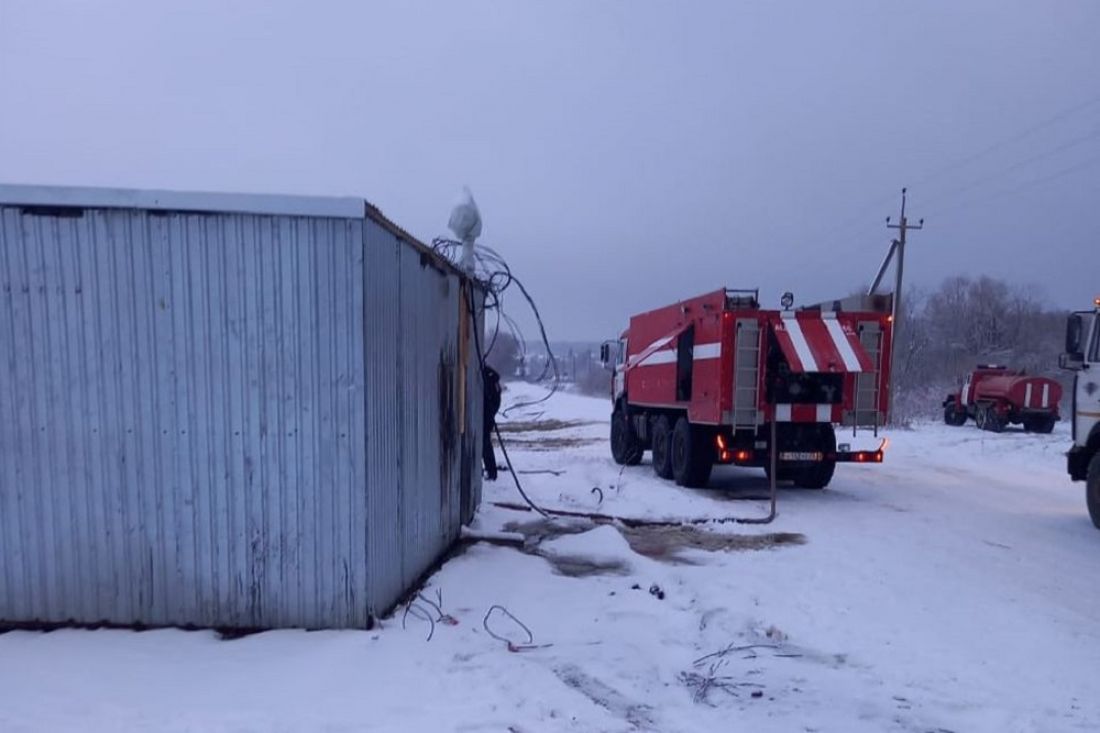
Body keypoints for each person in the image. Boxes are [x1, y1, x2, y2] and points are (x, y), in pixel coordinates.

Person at [482, 366, 502, 480]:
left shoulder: (489, 379)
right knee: (484, 445)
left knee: (485, 446)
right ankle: (490, 471)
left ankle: (492, 472)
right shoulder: (491, 380)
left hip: (487, 416)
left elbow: (495, 402)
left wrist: (489, 416)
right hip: (487, 415)